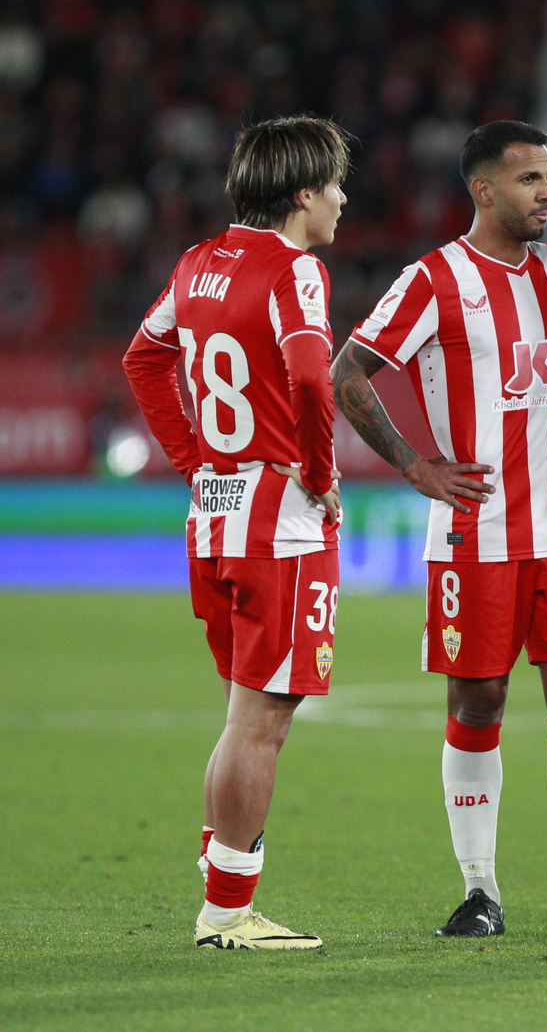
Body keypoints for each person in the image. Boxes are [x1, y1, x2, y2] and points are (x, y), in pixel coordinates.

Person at [332, 121, 547, 938]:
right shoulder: (433, 281)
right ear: (484, 191)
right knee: (479, 699)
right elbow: (348, 371)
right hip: (477, 536)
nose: (546, 192)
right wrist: (414, 465)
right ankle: (480, 892)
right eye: (530, 179)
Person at [122, 116, 349, 950]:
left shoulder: (198, 263)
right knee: (262, 722)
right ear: (302, 195)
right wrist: (321, 480)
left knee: (239, 715)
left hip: (215, 514)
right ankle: (226, 912)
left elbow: (142, 361)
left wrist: (192, 459)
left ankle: (221, 892)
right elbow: (313, 382)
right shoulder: (297, 272)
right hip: (279, 525)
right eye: (334, 186)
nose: (342, 200)